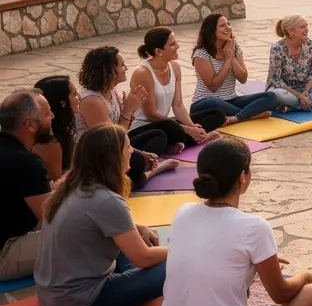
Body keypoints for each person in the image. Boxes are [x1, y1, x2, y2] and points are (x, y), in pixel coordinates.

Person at [156, 136, 312, 306]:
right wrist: (305, 277)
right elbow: (282, 294)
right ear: (243, 177)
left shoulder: (182, 213)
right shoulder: (254, 227)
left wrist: (254, 263)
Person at [35, 123, 167, 306]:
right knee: (175, 262)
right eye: (127, 147)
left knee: (135, 242)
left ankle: (133, 279)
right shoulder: (106, 200)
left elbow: (98, 222)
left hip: (52, 296)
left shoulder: (72, 186)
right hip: (81, 304)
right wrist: (183, 248)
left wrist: (137, 227)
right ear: (113, 156)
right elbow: (143, 257)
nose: (131, 151)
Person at [77, 45, 178, 190]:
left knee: (158, 135)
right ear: (108, 70)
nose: (126, 68)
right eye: (122, 65)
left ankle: (142, 169)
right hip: (98, 157)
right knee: (137, 161)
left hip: (117, 145)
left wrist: (130, 113)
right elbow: (110, 143)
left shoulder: (113, 92)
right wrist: (128, 111)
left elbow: (123, 132)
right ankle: (152, 171)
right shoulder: (92, 101)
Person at [130, 28, 226, 152]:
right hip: (145, 127)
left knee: (217, 114)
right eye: (172, 44)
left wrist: (192, 126)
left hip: (166, 124)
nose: (178, 46)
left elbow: (178, 105)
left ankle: (182, 141)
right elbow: (151, 114)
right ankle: (180, 141)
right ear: (159, 51)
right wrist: (187, 130)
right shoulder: (143, 73)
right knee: (166, 131)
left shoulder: (174, 68)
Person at [0, 91, 53, 281]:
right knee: (84, 234)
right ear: (30, 124)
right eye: (47, 114)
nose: (53, 117)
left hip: (12, 227)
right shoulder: (25, 162)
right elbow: (55, 219)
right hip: (4, 252)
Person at [190, 15, 278, 123]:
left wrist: (231, 57)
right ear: (211, 31)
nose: (228, 28)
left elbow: (243, 78)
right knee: (215, 102)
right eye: (223, 25)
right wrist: (227, 60)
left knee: (271, 96)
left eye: (228, 24)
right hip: (204, 103)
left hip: (231, 100)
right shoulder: (201, 54)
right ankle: (250, 115)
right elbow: (213, 87)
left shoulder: (234, 49)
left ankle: (237, 117)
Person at [267, 15, 312, 110]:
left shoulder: (310, 45)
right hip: (284, 90)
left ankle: (292, 108)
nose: (307, 29)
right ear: (290, 31)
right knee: (277, 95)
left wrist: (306, 91)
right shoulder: (277, 49)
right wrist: (299, 96)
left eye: (306, 26)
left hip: (304, 89)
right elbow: (276, 80)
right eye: (302, 27)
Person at [33, 75, 79, 181]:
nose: (79, 96)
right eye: (75, 94)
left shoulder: (64, 124)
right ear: (63, 103)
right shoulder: (50, 140)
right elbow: (56, 180)